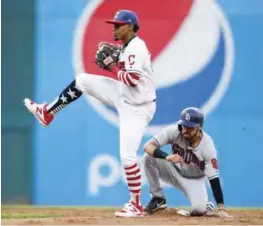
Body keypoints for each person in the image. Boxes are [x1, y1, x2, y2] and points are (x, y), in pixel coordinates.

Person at [24, 10, 156, 217]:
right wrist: (115, 60)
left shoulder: (136, 49)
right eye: (114, 24)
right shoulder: (128, 46)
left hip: (138, 107)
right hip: (123, 96)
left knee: (127, 156)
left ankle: (136, 204)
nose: (114, 27)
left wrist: (111, 66)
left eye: (118, 24)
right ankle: (48, 112)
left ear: (130, 27)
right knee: (83, 80)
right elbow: (126, 78)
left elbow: (132, 80)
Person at [143, 107, 232, 218]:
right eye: (183, 125)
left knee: (199, 210)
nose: (185, 130)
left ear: (199, 127)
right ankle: (158, 199)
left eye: (189, 127)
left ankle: (207, 205)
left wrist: (221, 207)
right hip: (174, 171)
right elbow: (147, 147)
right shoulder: (175, 131)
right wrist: (166, 156)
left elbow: (214, 179)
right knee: (148, 158)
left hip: (195, 180)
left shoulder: (207, 146)